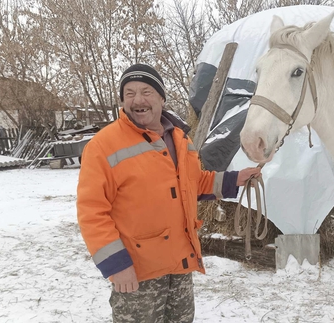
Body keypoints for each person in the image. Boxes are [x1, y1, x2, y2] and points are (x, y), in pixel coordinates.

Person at [77, 63, 261, 323]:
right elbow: (91, 212)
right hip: (138, 270)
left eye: (146, 91)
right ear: (122, 101)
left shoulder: (179, 139)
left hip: (180, 263)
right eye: (129, 93)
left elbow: (193, 183)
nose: (138, 100)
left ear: (162, 98)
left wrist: (235, 179)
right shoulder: (103, 145)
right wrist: (117, 265)